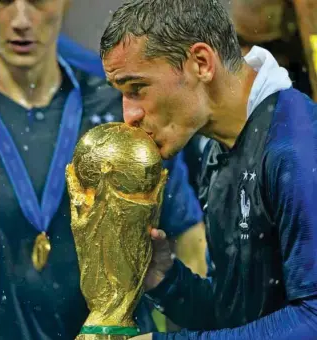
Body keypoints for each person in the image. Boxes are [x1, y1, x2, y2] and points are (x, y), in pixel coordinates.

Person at [100, 0, 317, 339]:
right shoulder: (217, 152)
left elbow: (313, 320)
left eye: (137, 89)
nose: (129, 116)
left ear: (201, 63)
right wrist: (166, 280)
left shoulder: (298, 148)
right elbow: (233, 317)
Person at [0, 1, 206, 339]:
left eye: (37, 1)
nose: (21, 20)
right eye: (4, 1)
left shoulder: (123, 109)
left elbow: (189, 241)